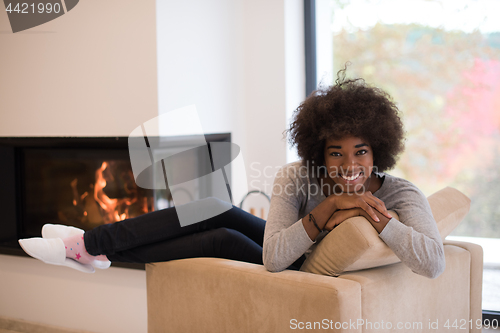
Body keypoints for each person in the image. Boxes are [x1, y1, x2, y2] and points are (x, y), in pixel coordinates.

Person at [19, 69, 445, 278]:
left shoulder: (402, 195)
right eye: (336, 153)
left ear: (378, 151)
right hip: (294, 247)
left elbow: (434, 263)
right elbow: (277, 246)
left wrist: (370, 214)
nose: (349, 165)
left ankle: (91, 251)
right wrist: (332, 205)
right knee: (213, 206)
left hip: (306, 268)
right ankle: (91, 244)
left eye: (361, 152)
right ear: (320, 150)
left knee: (221, 238)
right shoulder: (297, 177)